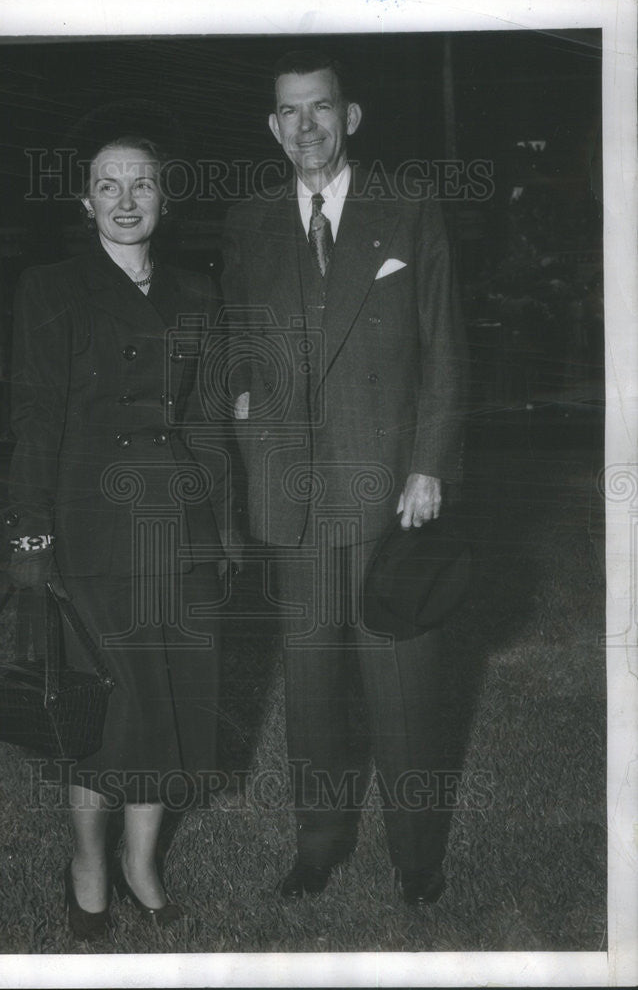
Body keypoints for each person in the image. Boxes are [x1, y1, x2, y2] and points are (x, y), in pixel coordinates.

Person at [220, 50, 468, 905]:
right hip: (292, 503)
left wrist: (430, 466)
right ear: (273, 127)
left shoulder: (407, 209)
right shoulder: (249, 221)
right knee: (313, 695)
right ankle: (319, 844)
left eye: (320, 108)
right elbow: (236, 346)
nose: (306, 127)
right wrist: (249, 421)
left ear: (350, 116)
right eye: (289, 113)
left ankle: (416, 854)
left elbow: (445, 350)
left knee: (404, 694)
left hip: (388, 497)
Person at [4, 132, 230, 940]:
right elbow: (36, 417)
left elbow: (205, 421)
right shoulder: (51, 287)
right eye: (109, 186)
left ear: (166, 200)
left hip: (180, 532)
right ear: (86, 201)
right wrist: (32, 537)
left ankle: (142, 863)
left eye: (143, 186)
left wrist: (222, 529)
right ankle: (90, 864)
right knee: (103, 711)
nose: (126, 200)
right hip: (92, 530)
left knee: (165, 708)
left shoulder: (198, 291)